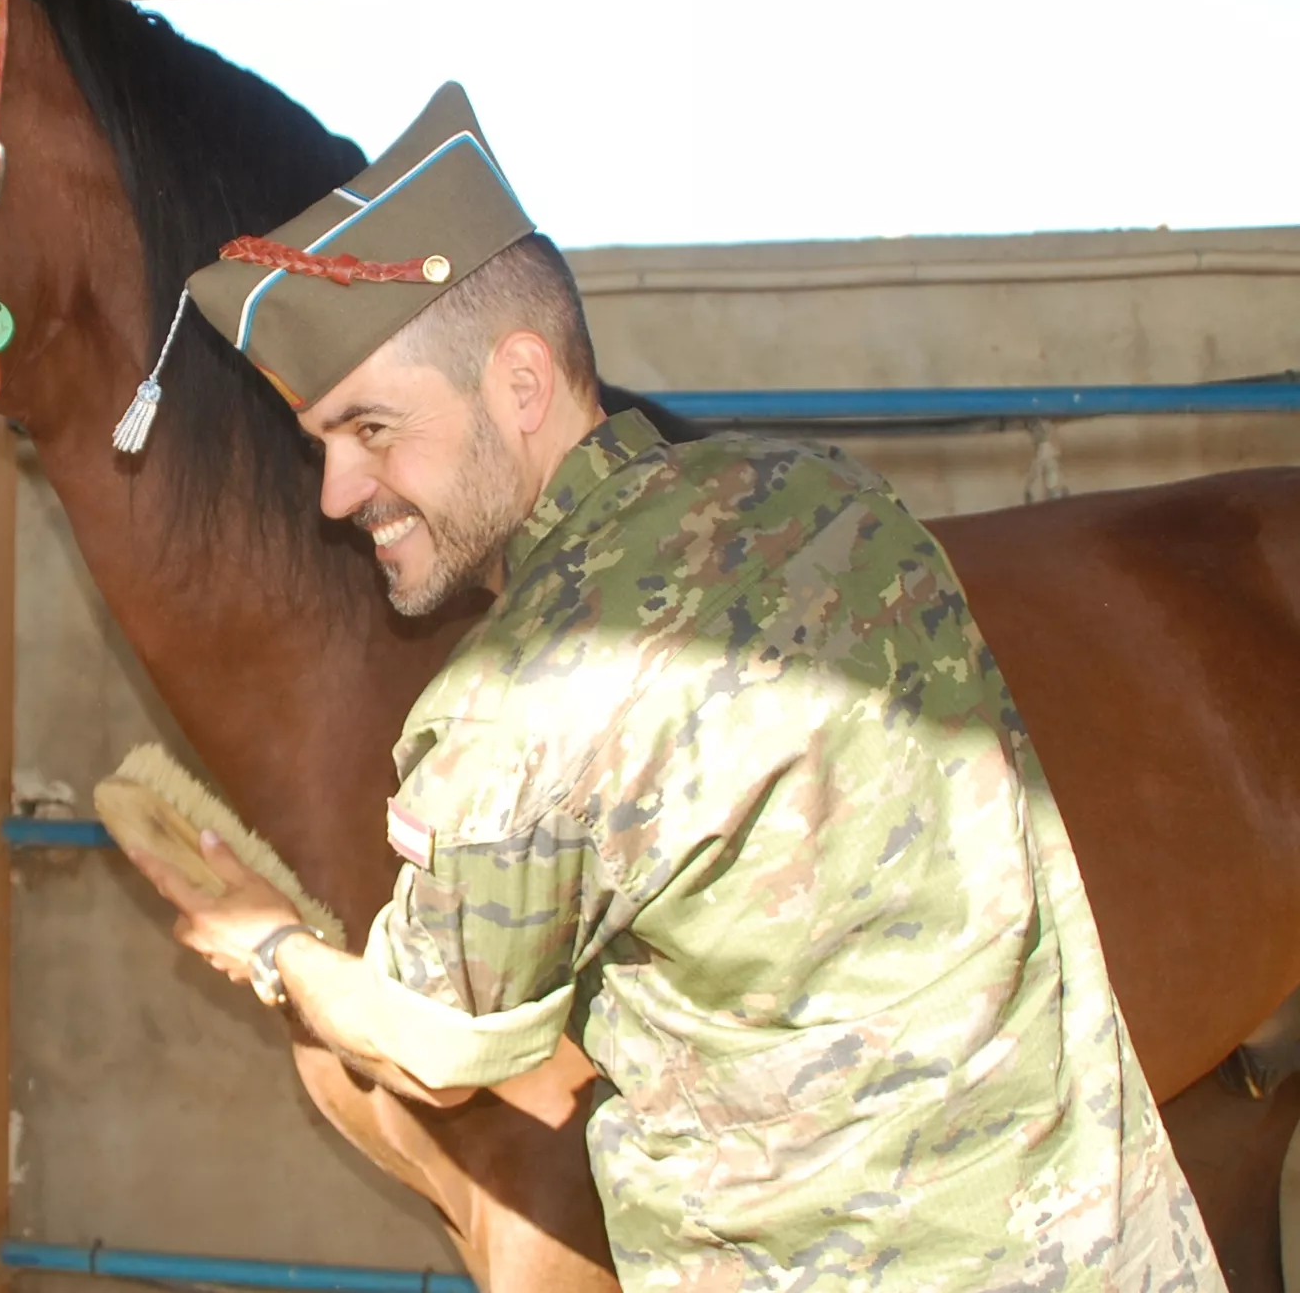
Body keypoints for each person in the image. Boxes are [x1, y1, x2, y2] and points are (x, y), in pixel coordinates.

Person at [130, 83, 1219, 1290]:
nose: (337, 492)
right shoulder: (831, 498)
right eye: (320, 443)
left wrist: (267, 944)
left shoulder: (520, 699)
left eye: (374, 429)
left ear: (522, 381)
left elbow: (432, 1043)